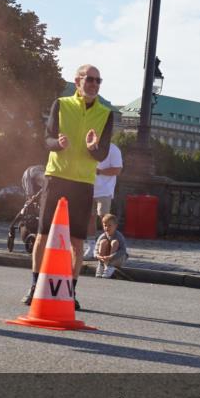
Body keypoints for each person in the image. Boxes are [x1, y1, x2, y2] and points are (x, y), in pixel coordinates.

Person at [23, 64, 113, 309]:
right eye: (90, 79)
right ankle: (34, 287)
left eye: (98, 80)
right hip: (56, 177)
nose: (94, 84)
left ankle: (69, 292)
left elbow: (103, 153)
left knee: (77, 242)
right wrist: (57, 143)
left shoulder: (107, 113)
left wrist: (94, 148)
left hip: (83, 182)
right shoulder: (61, 104)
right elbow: (46, 139)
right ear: (78, 81)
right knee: (42, 235)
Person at [83, 141, 123, 260]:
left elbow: (117, 170)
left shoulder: (113, 149)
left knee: (104, 219)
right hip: (89, 188)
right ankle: (91, 247)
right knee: (90, 218)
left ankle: (106, 247)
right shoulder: (88, 145)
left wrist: (99, 171)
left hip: (104, 190)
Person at [94, 213, 128, 279]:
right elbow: (96, 248)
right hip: (105, 258)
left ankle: (109, 266)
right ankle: (101, 265)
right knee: (103, 242)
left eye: (109, 225)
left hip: (118, 258)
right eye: (105, 225)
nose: (107, 228)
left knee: (114, 242)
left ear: (115, 226)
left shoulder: (119, 236)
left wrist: (111, 256)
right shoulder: (103, 236)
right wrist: (98, 256)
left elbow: (123, 250)